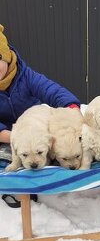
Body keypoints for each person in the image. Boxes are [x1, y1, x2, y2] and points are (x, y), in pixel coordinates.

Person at [0, 24, 81, 207]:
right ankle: (14, 185)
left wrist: (72, 108)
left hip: (38, 124)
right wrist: (11, 137)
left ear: (7, 57)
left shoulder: (25, 75)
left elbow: (51, 90)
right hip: (7, 133)